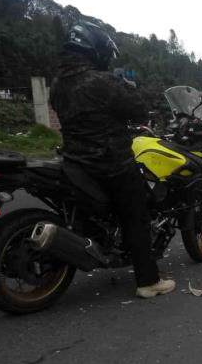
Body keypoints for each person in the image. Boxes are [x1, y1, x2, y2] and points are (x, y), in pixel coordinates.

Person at [50, 21, 175, 299]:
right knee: (137, 217)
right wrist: (126, 86)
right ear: (95, 51)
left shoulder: (57, 85)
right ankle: (148, 282)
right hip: (110, 164)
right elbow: (139, 111)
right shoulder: (103, 81)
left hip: (73, 161)